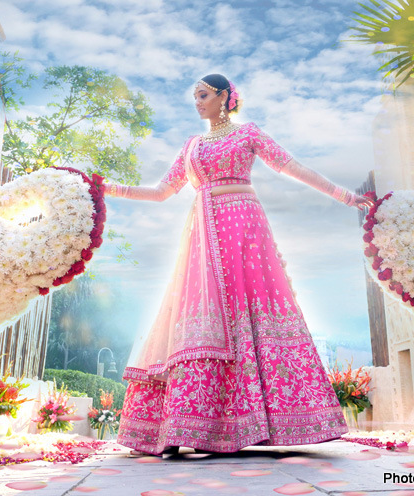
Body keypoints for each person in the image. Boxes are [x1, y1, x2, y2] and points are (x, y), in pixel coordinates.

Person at [104, 74, 373, 456]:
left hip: (245, 230)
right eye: (195, 96)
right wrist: (110, 188)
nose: (197, 102)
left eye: (203, 95)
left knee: (251, 310)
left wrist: (345, 196)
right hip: (203, 236)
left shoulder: (247, 135)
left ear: (224, 97)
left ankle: (273, 422)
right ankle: (190, 425)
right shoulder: (191, 146)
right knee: (204, 318)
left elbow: (292, 166)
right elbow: (162, 191)